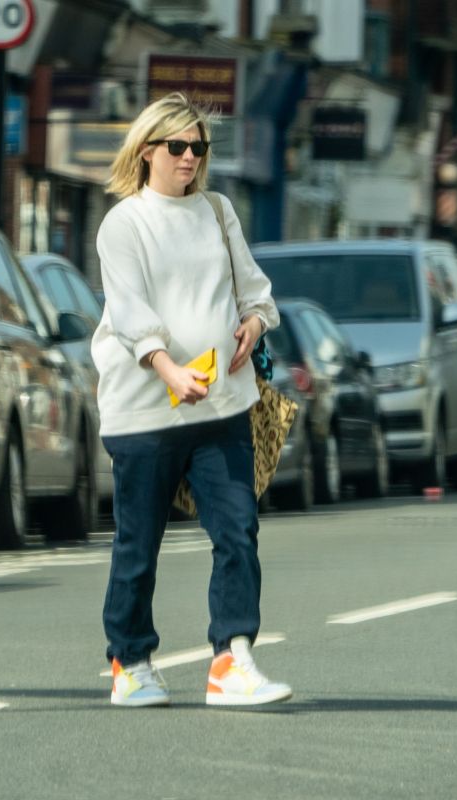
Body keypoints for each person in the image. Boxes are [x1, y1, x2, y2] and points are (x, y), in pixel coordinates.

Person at [91, 92, 292, 708]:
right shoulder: (125, 223)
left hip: (221, 408)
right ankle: (130, 661)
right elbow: (128, 312)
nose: (189, 158)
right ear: (147, 150)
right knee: (138, 544)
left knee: (238, 532)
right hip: (146, 411)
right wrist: (167, 367)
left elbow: (256, 293)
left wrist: (252, 326)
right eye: (176, 147)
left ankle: (232, 660)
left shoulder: (218, 210)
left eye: (198, 148)